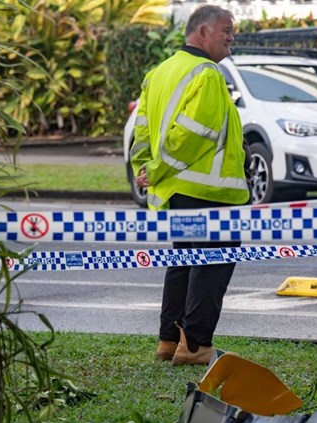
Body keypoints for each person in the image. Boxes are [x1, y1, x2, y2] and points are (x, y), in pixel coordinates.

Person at [129, 5, 250, 365]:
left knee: (183, 261)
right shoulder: (208, 74)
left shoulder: (159, 73)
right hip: (210, 191)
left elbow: (143, 133)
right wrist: (159, 168)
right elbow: (197, 134)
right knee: (212, 263)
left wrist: (147, 169)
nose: (232, 38)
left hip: (177, 192)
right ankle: (196, 345)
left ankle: (170, 341)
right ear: (202, 33)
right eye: (226, 30)